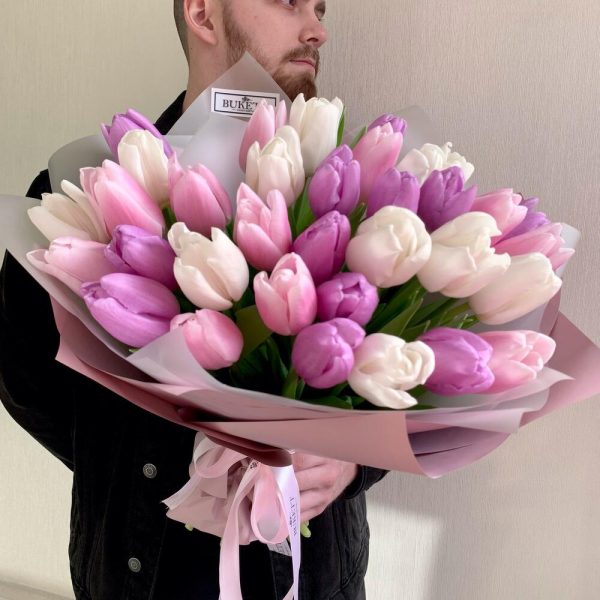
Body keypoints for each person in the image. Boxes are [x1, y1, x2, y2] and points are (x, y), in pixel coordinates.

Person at [0, 1, 387, 598]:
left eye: (318, 7)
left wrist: (351, 461)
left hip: (309, 579)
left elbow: (410, 377)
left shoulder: (358, 193)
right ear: (203, 12)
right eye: (289, 2)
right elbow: (23, 372)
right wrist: (122, 459)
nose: (318, 29)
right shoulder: (84, 192)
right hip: (135, 577)